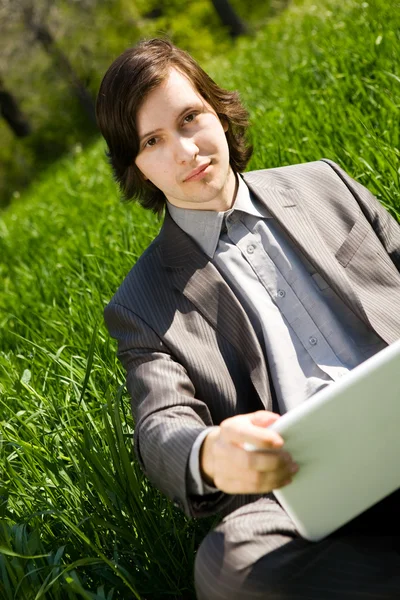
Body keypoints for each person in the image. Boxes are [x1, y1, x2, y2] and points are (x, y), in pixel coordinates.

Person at [96, 38, 400, 599]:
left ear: (218, 110)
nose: (186, 151)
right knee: (229, 563)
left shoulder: (323, 183)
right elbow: (160, 425)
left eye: (190, 117)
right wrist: (209, 452)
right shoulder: (142, 303)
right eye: (153, 140)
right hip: (306, 484)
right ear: (136, 167)